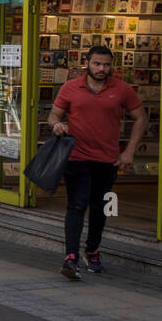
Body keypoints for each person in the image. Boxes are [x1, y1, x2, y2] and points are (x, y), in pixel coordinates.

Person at [49, 46, 147, 279]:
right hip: (77, 157)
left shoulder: (122, 89)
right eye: (97, 64)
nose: (102, 69)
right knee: (76, 205)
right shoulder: (71, 87)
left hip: (107, 160)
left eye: (106, 64)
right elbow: (54, 114)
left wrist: (129, 152)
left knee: (100, 208)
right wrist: (56, 125)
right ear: (87, 63)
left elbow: (141, 118)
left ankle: (92, 251)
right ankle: (70, 257)